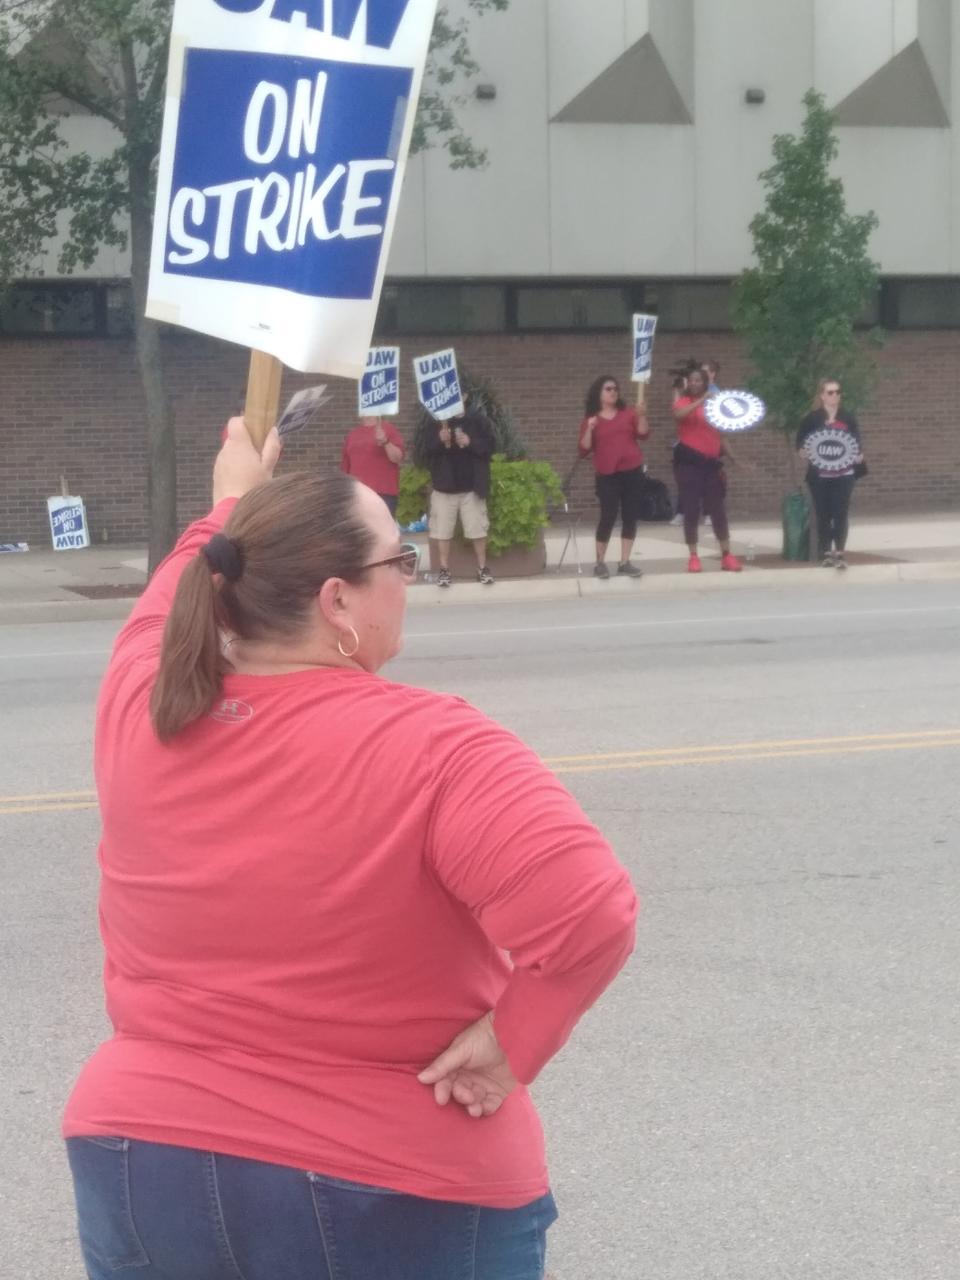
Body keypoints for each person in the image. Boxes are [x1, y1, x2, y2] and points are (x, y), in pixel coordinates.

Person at [62, 417, 638, 1280]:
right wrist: (515, 1040)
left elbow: (174, 593)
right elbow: (590, 916)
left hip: (139, 1161)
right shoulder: (435, 745)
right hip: (391, 1182)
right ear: (337, 601)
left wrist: (230, 500)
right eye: (396, 562)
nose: (407, 579)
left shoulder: (143, 704)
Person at [578, 374, 650, 578]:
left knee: (630, 516)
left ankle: (625, 561)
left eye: (615, 389)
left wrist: (642, 415)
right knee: (608, 516)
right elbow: (584, 449)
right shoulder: (591, 419)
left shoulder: (628, 413)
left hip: (632, 470)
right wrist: (590, 429)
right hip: (607, 473)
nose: (613, 392)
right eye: (608, 389)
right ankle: (600, 562)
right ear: (599, 393)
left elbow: (643, 434)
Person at [672, 368, 742, 573]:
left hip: (711, 463)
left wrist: (734, 458)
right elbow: (679, 415)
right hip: (689, 463)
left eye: (698, 380)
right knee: (691, 509)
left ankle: (726, 555)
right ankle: (693, 556)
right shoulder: (683, 402)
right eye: (691, 380)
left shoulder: (715, 406)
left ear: (705, 383)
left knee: (718, 509)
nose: (694, 383)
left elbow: (721, 436)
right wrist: (702, 400)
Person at [423, 397, 495, 587]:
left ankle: (482, 568)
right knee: (442, 531)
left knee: (477, 528)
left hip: (471, 487)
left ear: (465, 396)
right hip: (444, 487)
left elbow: (490, 448)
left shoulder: (477, 420)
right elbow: (424, 451)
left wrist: (470, 441)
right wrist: (439, 440)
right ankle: (444, 570)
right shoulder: (436, 421)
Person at [796, 378, 865, 569]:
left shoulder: (848, 417)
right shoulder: (812, 418)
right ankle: (827, 552)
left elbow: (857, 441)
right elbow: (801, 441)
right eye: (830, 392)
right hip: (820, 476)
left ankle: (840, 553)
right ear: (822, 395)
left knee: (840, 513)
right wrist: (802, 451)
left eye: (837, 392)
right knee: (823, 514)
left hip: (844, 474)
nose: (834, 395)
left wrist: (859, 454)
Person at [339, 414, 405, 516]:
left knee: (382, 531)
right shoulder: (352, 435)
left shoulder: (389, 429)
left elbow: (397, 458)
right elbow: (345, 470)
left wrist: (385, 441)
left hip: (383, 495)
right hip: (358, 496)